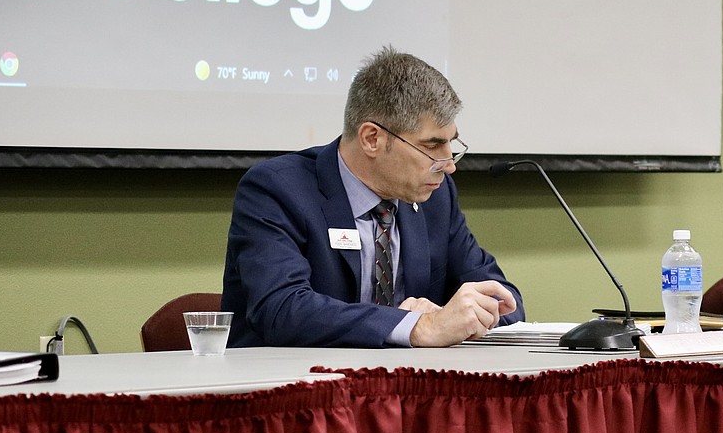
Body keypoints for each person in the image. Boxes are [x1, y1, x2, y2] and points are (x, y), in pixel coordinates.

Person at [222, 47, 523, 347]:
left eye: (451, 143)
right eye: (432, 146)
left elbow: (505, 300)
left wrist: (461, 315)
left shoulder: (436, 198)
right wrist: (416, 326)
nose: (449, 164)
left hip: (402, 387)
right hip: (290, 385)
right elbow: (281, 309)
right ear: (372, 139)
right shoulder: (277, 190)